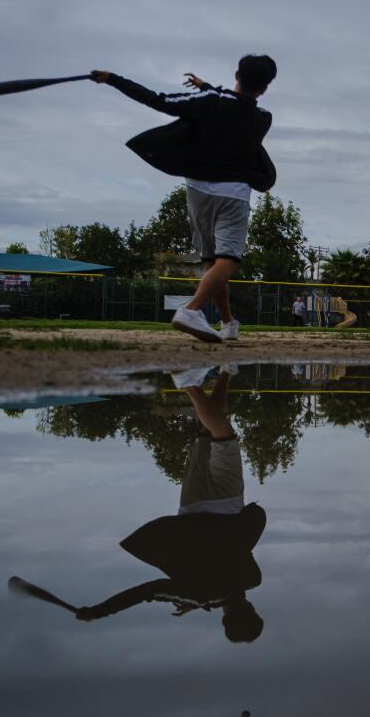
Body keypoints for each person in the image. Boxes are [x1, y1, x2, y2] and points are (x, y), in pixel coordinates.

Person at [90, 55, 278, 343]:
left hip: (198, 190)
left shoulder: (209, 102)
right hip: (234, 194)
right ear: (265, 88)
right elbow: (235, 107)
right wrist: (208, 88)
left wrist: (112, 79)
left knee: (212, 262)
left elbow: (157, 100)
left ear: (237, 73)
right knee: (227, 261)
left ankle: (227, 323)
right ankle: (191, 310)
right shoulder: (263, 119)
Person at [71, 367, 266, 643]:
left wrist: (200, 602)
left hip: (228, 505)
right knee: (209, 430)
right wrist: (99, 612)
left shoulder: (250, 578)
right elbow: (145, 593)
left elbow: (230, 590)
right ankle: (225, 373)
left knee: (221, 434)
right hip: (193, 507)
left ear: (252, 609)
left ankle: (191, 381)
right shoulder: (198, 593)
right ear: (225, 619)